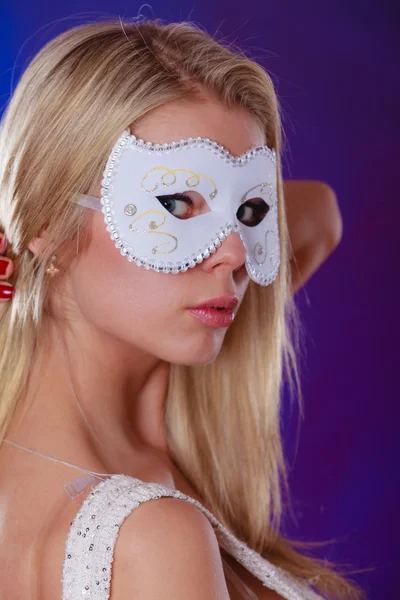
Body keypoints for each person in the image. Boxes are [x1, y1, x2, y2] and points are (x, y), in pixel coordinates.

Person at [0, 18, 365, 600]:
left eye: (250, 212)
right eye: (174, 202)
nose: (234, 254)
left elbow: (320, 213)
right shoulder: (152, 540)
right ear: (44, 221)